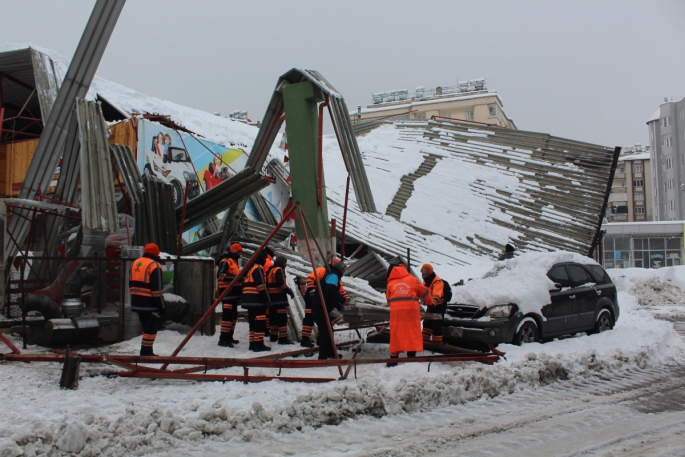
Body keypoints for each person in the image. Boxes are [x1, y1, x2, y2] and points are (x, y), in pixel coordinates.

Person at [385, 261, 432, 367]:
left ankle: (393, 359)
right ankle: (411, 356)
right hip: (411, 312)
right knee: (411, 332)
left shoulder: (390, 284)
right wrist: (430, 302)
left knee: (396, 334)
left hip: (396, 313)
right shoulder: (413, 280)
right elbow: (425, 292)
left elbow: (388, 301)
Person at [300, 259, 349, 348]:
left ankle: (321, 339)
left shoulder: (334, 276)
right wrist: (312, 290)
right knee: (309, 318)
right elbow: (310, 278)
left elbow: (339, 289)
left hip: (321, 299)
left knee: (323, 321)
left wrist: (346, 298)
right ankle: (305, 338)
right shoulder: (323, 270)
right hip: (314, 297)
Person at [130, 243, 165, 356]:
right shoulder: (155, 265)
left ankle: (146, 350)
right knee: (151, 329)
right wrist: (162, 306)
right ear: (156, 254)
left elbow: (130, 283)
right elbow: (157, 289)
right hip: (149, 303)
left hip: (136, 301)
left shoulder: (135, 263)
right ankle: (146, 352)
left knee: (146, 327)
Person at [311, 260, 347, 359]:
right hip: (320, 307)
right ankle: (322, 357)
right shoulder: (333, 276)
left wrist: (338, 305)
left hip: (321, 306)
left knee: (329, 331)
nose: (344, 271)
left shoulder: (333, 275)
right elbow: (331, 290)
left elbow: (329, 294)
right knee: (326, 332)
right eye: (344, 269)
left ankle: (331, 353)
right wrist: (342, 300)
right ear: (340, 269)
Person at [241, 249, 272, 352]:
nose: (265, 261)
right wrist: (267, 299)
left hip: (249, 300)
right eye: (264, 258)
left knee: (252, 322)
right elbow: (261, 286)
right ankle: (258, 344)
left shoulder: (250, 268)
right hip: (256, 300)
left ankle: (253, 343)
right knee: (260, 322)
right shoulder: (258, 268)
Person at [216, 243, 243, 347]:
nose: (241, 253)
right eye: (240, 251)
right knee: (227, 317)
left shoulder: (234, 261)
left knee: (233, 316)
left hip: (233, 294)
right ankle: (223, 339)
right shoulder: (226, 261)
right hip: (227, 294)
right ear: (235, 251)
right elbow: (220, 276)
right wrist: (236, 278)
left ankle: (229, 337)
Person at [266, 256, 296, 344]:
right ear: (283, 263)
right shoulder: (279, 270)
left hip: (271, 299)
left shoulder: (271, 270)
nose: (286, 264)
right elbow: (281, 284)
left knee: (273, 319)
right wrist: (289, 291)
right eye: (285, 262)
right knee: (282, 319)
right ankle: (283, 339)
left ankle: (273, 337)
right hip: (279, 299)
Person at [420, 263, 447, 344]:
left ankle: (437, 344)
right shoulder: (426, 281)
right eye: (422, 274)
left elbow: (436, 295)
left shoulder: (437, 282)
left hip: (439, 306)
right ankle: (424, 341)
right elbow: (423, 293)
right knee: (427, 323)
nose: (423, 276)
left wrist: (432, 304)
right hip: (431, 305)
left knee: (437, 325)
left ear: (429, 273)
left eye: (425, 274)